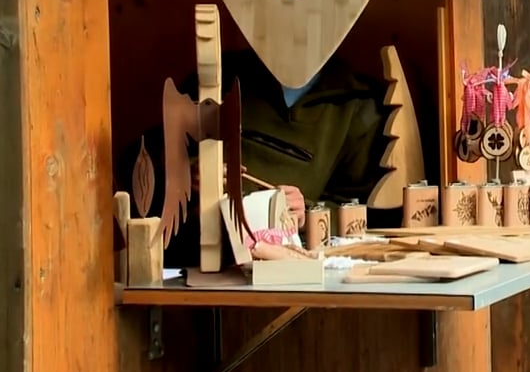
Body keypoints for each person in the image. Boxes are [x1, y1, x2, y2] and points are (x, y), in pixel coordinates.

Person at [117, 49, 394, 268]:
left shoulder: (358, 105)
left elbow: (367, 219)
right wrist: (185, 176)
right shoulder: (220, 78)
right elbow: (140, 162)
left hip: (290, 274)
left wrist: (307, 213)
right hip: (198, 266)